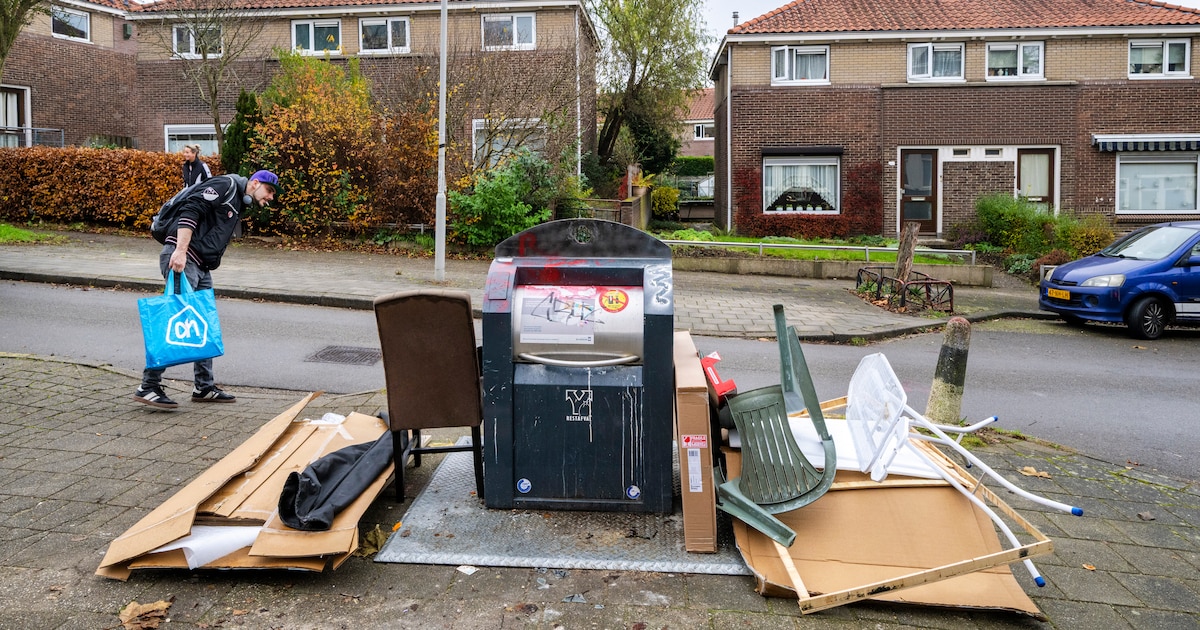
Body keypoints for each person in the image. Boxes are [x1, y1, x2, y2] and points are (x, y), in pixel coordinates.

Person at [134, 170, 279, 409]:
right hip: (184, 259)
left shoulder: (237, 201)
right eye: (269, 191)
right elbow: (190, 210)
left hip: (201, 265)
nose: (271, 197)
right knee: (174, 319)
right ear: (255, 183)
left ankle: (203, 386)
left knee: (204, 322)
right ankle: (148, 386)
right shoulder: (226, 185)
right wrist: (179, 251)